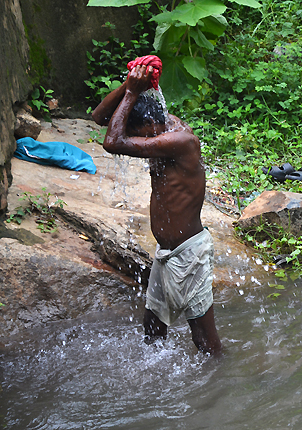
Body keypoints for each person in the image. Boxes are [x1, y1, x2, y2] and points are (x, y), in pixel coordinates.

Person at [92, 56, 222, 355]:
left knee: (205, 341)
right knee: (153, 328)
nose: (136, 142)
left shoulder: (179, 140)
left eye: (137, 134)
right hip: (166, 253)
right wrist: (131, 85)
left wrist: (132, 95)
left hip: (189, 254)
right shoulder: (157, 126)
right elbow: (101, 118)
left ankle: (216, 386)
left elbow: (113, 141)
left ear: (149, 125)